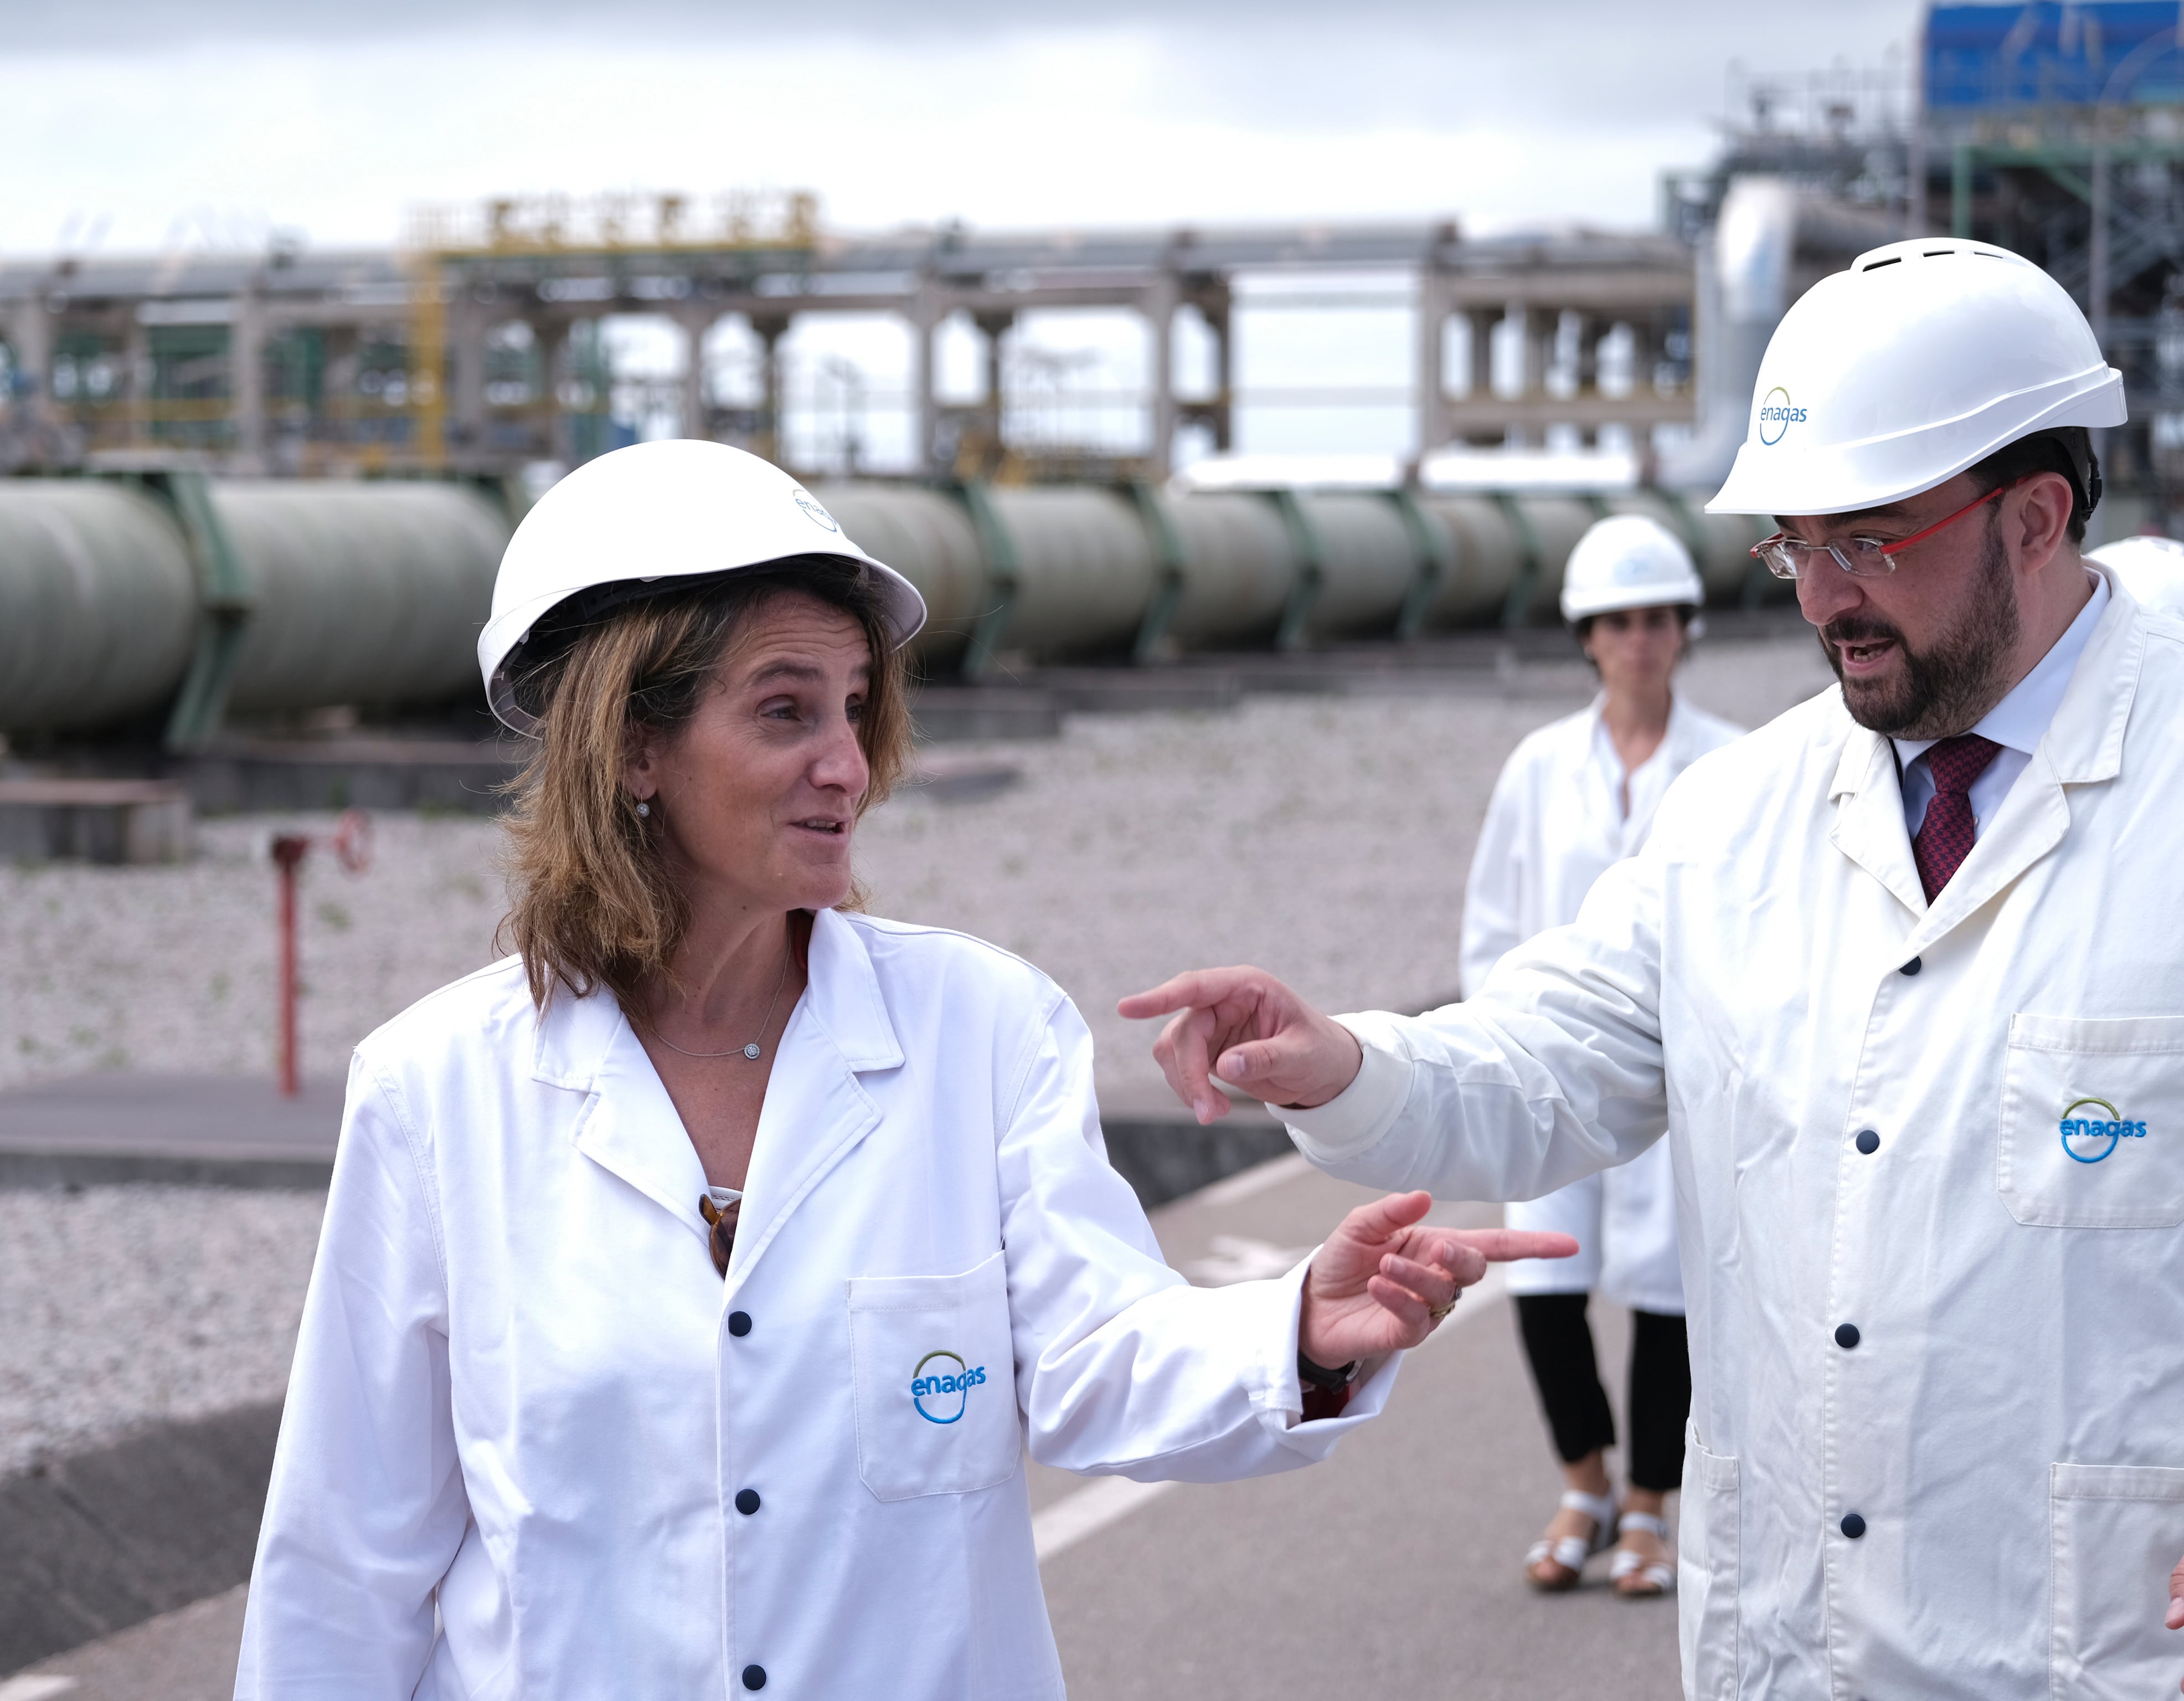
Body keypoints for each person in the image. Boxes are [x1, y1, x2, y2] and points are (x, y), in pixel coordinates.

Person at [233, 440, 1573, 1699]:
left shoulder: (979, 1031)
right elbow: (349, 1558)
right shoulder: (434, 1093)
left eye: (857, 708)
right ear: (630, 747)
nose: (847, 765)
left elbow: (1094, 1351)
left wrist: (1295, 1334)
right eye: (784, 710)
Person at [1122, 238, 2184, 1699]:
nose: (1820, 596)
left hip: (2099, 1646)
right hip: (1793, 1644)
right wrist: (1351, 1062)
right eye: (1790, 543)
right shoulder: (1738, 818)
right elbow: (1545, 1061)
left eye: (1866, 539)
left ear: (2037, 516)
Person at [1466, 515, 1742, 1597]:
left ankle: (1648, 1506)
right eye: (1619, 622)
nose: (1640, 639)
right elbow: (1493, 921)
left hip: (1677, 1070)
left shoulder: (1729, 765)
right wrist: (1495, 1044)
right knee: (1545, 1274)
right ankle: (1581, 1483)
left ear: (1684, 630)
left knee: (1669, 1291)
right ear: (1586, 636)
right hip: (1549, 1063)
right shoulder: (1538, 767)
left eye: (1659, 619)